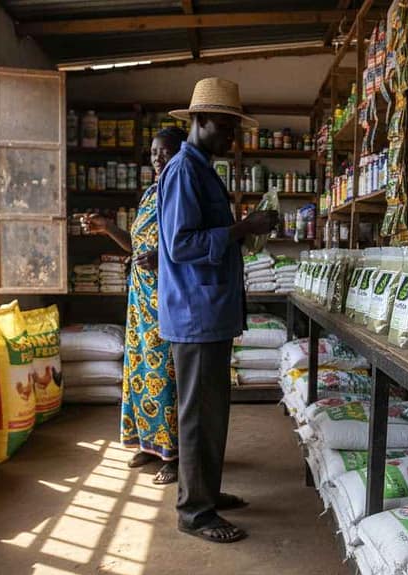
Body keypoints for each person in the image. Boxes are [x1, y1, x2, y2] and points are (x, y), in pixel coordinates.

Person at [159, 77, 277, 544]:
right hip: (195, 314)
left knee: (212, 413)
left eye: (235, 129)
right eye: (226, 127)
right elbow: (181, 244)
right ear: (200, 120)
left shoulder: (203, 169)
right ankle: (194, 512)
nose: (232, 137)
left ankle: (204, 493)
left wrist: (244, 232)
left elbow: (205, 237)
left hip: (208, 312)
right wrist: (242, 227)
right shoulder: (183, 171)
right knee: (198, 416)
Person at [84, 127, 188, 485]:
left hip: (169, 298)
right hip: (140, 299)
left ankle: (174, 454)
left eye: (166, 151)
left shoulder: (182, 192)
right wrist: (108, 228)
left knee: (166, 375)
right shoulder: (149, 193)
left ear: (181, 153)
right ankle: (150, 444)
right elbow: (136, 245)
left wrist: (162, 259)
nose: (158, 158)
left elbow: (187, 246)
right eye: (154, 152)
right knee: (141, 371)